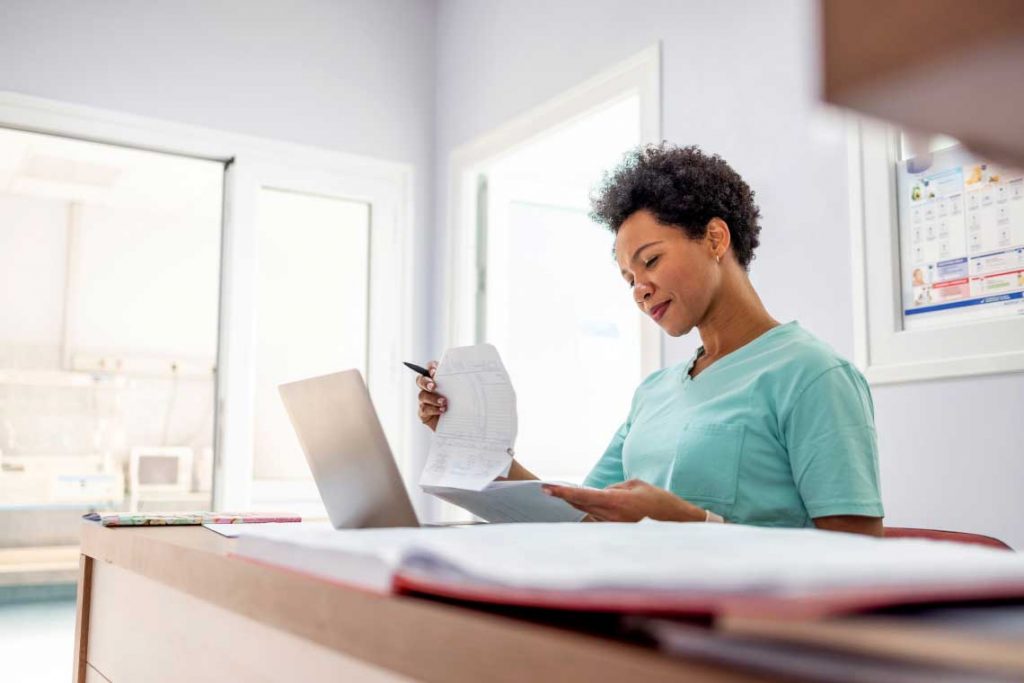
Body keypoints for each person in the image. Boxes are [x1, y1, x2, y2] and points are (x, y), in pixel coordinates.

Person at [416, 144, 884, 536]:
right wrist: (477, 444)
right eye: (628, 278)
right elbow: (580, 516)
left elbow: (855, 554)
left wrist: (695, 523)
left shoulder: (812, 375)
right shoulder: (653, 394)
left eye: (652, 261)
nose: (639, 289)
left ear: (715, 239)